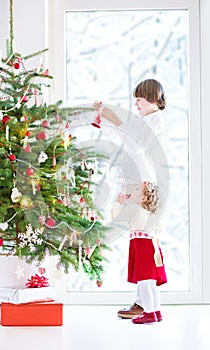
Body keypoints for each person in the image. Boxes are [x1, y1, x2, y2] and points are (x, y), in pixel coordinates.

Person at [94, 79, 168, 320]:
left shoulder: (154, 120)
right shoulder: (148, 121)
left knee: (142, 240)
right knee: (141, 242)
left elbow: (133, 141)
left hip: (146, 185)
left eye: (140, 99)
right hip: (144, 183)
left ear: (154, 98)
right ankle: (143, 302)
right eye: (135, 99)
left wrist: (107, 119)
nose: (135, 103)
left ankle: (145, 304)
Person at [111, 182, 167, 324]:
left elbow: (115, 218)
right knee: (152, 284)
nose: (133, 190)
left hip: (142, 249)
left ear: (143, 198)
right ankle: (156, 311)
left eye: (137, 190)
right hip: (154, 248)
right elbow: (160, 230)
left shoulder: (134, 211)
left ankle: (148, 313)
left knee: (144, 284)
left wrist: (118, 203)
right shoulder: (152, 214)